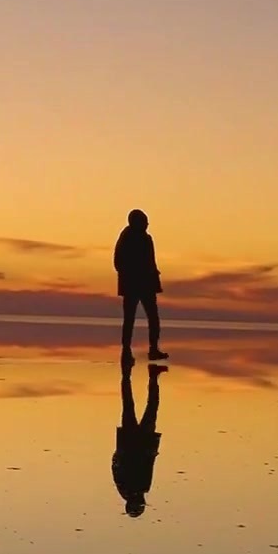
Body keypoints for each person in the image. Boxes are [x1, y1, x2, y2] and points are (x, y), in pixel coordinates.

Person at [112, 355, 163, 517]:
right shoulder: (138, 488)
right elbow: (149, 464)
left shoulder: (128, 486)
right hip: (139, 442)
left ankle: (132, 374)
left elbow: (118, 463)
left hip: (133, 441)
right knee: (145, 405)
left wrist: (120, 451)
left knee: (134, 404)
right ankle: (152, 375)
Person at [114, 208, 166, 362]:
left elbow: (151, 263)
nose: (147, 224)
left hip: (147, 286)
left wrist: (155, 281)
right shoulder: (126, 238)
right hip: (132, 286)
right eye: (144, 221)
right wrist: (130, 275)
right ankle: (126, 352)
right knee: (129, 319)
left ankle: (153, 349)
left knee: (153, 318)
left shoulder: (147, 239)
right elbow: (118, 262)